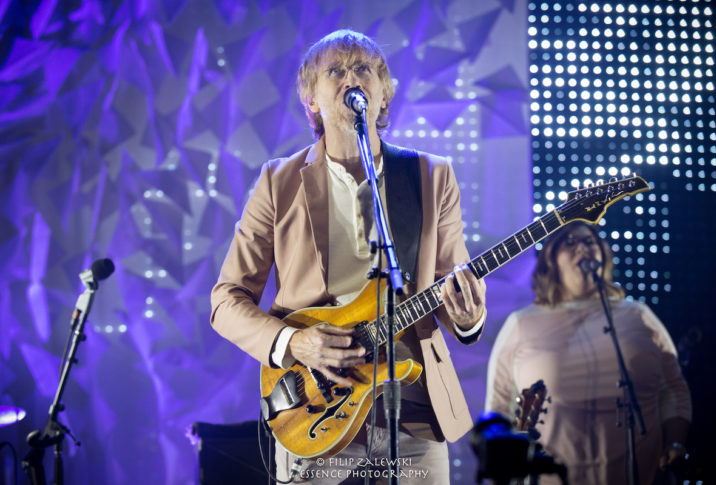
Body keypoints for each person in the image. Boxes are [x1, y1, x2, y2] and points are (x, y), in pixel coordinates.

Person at [210, 29, 486, 484]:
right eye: (334, 70)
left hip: (414, 409)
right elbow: (226, 299)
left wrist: (469, 316)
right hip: (316, 409)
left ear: (383, 93)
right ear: (311, 99)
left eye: (363, 69)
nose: (350, 79)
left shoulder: (432, 176)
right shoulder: (278, 182)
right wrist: (292, 343)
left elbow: (452, 283)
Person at [485, 221, 691, 485]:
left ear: (603, 255)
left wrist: (675, 441)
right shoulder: (522, 323)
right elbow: (500, 405)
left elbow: (673, 388)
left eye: (590, 241)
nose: (582, 248)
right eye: (570, 243)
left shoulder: (638, 315)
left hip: (636, 474)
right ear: (552, 260)